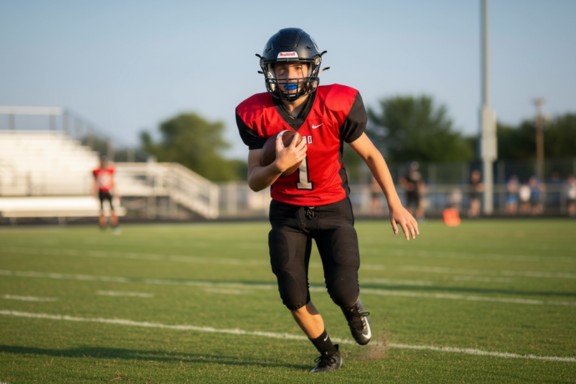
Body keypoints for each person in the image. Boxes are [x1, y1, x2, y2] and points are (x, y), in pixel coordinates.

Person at [236, 28, 419, 373]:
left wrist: (395, 203)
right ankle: (328, 353)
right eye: (281, 69)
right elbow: (254, 181)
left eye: (297, 68)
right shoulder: (254, 113)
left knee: (342, 289)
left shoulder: (336, 102)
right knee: (292, 294)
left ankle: (353, 308)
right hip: (287, 212)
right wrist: (278, 165)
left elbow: (372, 156)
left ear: (311, 68)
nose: (289, 76)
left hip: (333, 207)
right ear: (269, 71)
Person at [92, 155, 120, 233]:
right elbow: (95, 181)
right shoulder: (97, 171)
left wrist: (116, 191)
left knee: (112, 209)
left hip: (108, 191)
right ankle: (102, 224)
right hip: (101, 192)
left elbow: (112, 181)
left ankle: (114, 223)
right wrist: (93, 190)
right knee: (101, 209)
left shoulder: (109, 171)